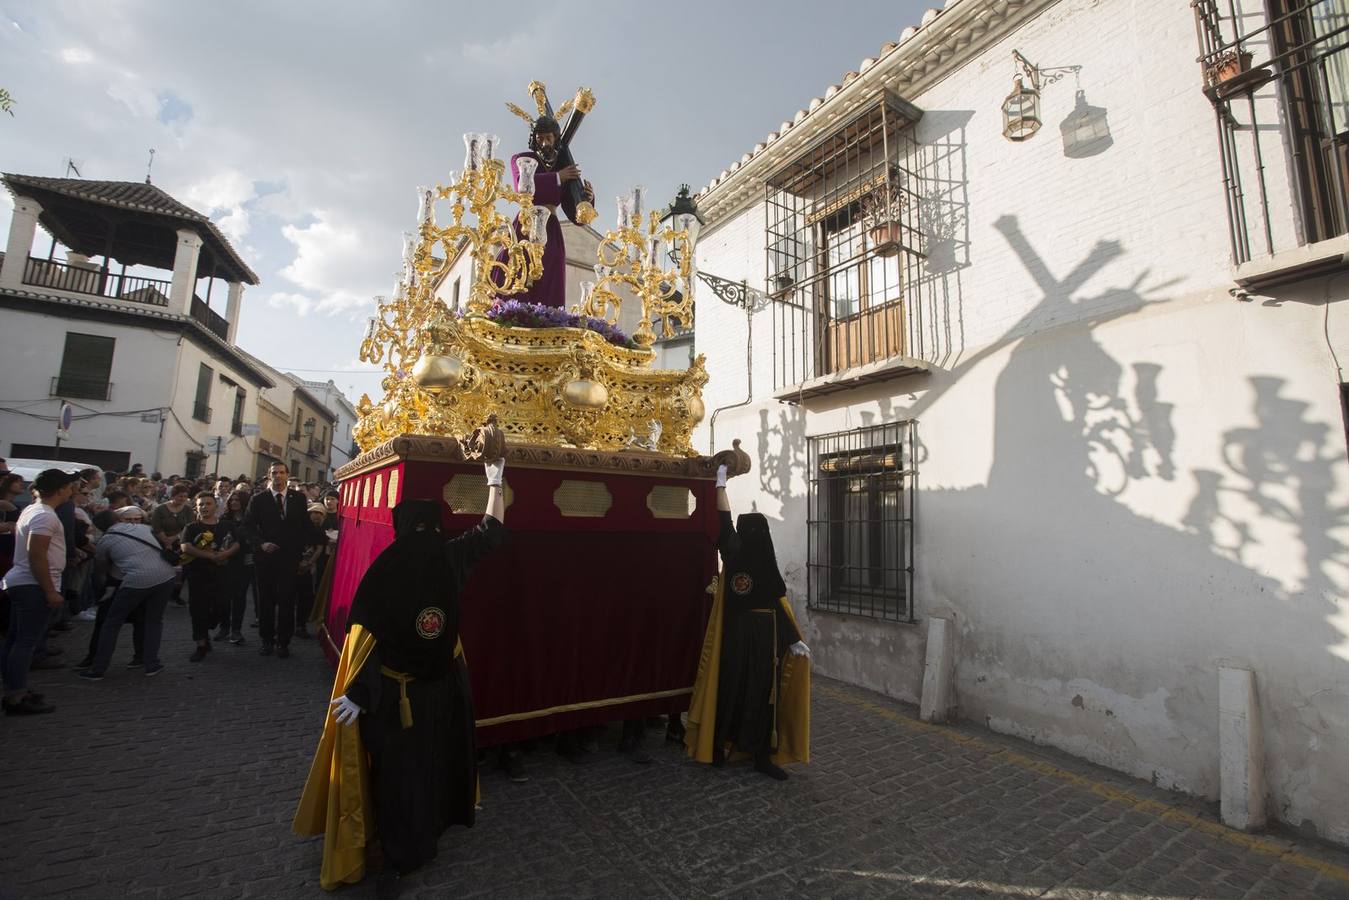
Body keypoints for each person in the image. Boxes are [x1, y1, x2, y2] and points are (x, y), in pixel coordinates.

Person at [294, 448, 508, 897]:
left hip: (415, 691)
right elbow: (491, 530)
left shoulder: (404, 565)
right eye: (426, 528)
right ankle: (407, 847)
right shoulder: (435, 560)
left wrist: (359, 692)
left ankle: (413, 843)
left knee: (415, 772)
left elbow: (366, 634)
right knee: (412, 772)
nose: (427, 536)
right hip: (415, 694)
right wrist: (494, 478)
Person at [684, 463, 812, 780]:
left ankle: (741, 750)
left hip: (755, 635)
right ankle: (736, 749)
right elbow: (774, 597)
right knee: (743, 691)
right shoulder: (747, 553)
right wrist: (792, 637)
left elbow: (724, 519)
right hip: (752, 633)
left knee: (752, 693)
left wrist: (721, 486)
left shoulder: (735, 547)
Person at [493, 114, 595, 309]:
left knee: (551, 268)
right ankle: (512, 311)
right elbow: (522, 185)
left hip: (551, 229)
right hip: (525, 224)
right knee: (519, 267)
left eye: (549, 138)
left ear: (556, 139)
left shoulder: (562, 167)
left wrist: (586, 199)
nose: (544, 142)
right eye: (540, 138)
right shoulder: (522, 159)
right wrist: (558, 177)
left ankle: (546, 316)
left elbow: (575, 215)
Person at [1, 469, 80, 714]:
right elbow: (37, 554)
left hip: (25, 583)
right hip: (32, 585)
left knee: (16, 639)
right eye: (69, 486)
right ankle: (16, 696)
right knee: (25, 642)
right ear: (60, 489)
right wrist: (49, 591)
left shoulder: (36, 511)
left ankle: (15, 688)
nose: (72, 490)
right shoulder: (44, 515)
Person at [81, 505, 177, 680]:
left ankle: (98, 668)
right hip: (166, 576)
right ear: (117, 520)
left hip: (136, 580)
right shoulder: (142, 528)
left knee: (112, 623)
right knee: (154, 621)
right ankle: (152, 664)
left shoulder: (105, 540)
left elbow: (103, 567)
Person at [244, 463, 321, 659]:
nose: (278, 476)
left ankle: (283, 642)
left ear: (287, 475)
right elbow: (248, 528)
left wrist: (324, 539)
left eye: (281, 472)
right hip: (265, 558)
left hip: (289, 557)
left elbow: (305, 525)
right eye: (274, 473)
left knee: (287, 600)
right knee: (266, 600)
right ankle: (267, 640)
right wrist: (261, 544)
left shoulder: (298, 498)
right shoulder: (258, 499)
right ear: (269, 476)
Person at [180, 493, 238, 663]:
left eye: (208, 503)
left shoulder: (227, 525)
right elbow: (186, 546)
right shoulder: (191, 527)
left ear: (216, 506)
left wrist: (226, 553)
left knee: (222, 607)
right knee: (198, 610)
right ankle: (201, 644)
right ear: (196, 507)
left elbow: (237, 543)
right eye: (201, 504)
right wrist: (210, 556)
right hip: (199, 575)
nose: (204, 507)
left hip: (222, 575)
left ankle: (208, 628)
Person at [218, 489, 254, 645]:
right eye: (231, 500)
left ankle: (236, 629)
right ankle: (224, 627)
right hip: (226, 561)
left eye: (237, 500)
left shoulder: (250, 519)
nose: (233, 502)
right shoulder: (224, 518)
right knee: (224, 596)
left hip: (243, 562)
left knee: (239, 596)